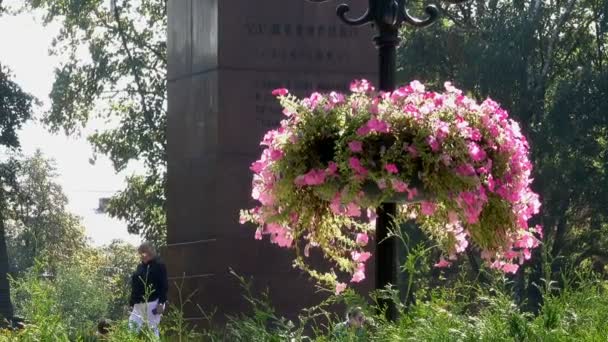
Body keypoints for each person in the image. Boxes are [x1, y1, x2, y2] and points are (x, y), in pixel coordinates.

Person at [128, 242, 168, 337]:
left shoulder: (159, 265)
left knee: (152, 330)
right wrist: (131, 303)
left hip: (152, 303)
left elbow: (164, 285)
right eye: (140, 253)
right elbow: (135, 286)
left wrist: (161, 302)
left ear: (150, 252)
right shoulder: (140, 267)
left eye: (144, 252)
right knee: (131, 329)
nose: (142, 255)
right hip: (138, 305)